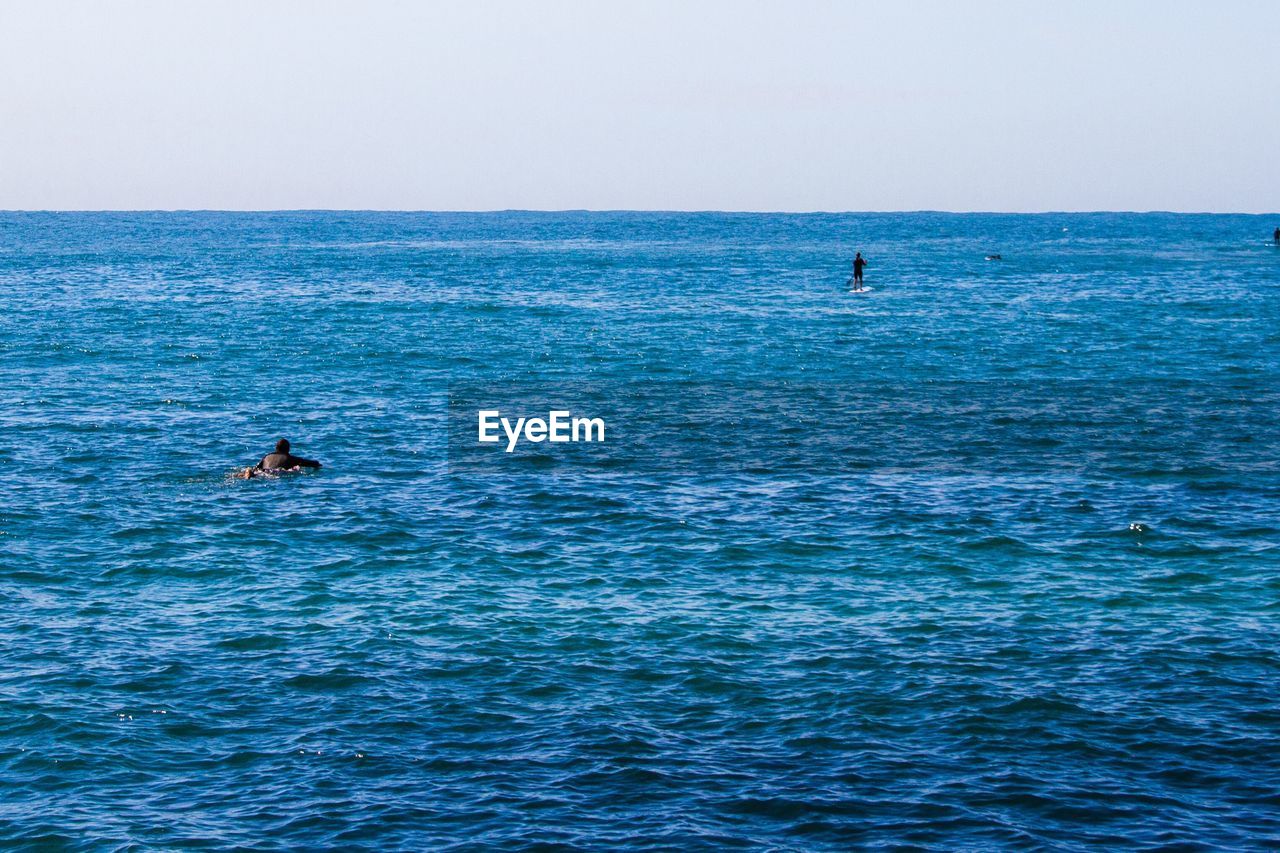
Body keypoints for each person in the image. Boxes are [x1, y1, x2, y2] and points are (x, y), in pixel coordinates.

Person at [240, 438, 321, 478]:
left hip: (263, 473)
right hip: (275, 473)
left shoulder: (266, 457)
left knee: (255, 473)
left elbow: (256, 468)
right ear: (288, 449)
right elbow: (312, 463)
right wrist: (317, 464)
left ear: (276, 448)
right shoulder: (290, 458)